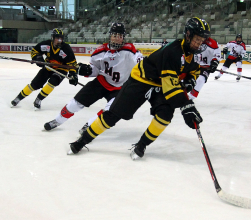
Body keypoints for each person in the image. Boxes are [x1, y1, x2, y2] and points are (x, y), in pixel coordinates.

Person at [67, 17, 210, 160]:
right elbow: (171, 90)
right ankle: (82, 140)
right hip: (140, 80)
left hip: (159, 84)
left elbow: (194, 70)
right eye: (197, 39)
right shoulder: (173, 52)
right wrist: (186, 105)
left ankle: (141, 145)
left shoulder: (192, 54)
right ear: (188, 34)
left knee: (165, 116)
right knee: (113, 115)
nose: (199, 43)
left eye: (202, 40)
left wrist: (191, 81)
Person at [43, 23, 143, 131]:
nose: (117, 39)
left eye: (120, 36)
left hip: (119, 89)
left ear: (123, 38)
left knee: (110, 111)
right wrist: (87, 70)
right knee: (75, 103)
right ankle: (57, 120)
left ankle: (90, 126)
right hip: (101, 83)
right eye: (115, 35)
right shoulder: (100, 51)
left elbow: (142, 65)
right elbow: (95, 69)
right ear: (110, 36)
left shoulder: (129, 51)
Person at [11, 28, 78, 109]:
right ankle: (18, 98)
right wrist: (38, 58)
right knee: (34, 85)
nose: (59, 40)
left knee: (52, 82)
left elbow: (72, 63)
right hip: (48, 67)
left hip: (61, 69)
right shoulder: (46, 44)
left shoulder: (66, 48)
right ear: (53, 38)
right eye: (57, 38)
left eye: (61, 38)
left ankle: (39, 99)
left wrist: (73, 74)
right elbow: (34, 51)